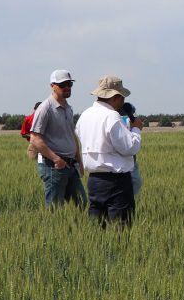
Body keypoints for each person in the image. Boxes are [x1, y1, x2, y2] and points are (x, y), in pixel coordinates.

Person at [75, 75, 143, 227]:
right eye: (122, 97)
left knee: (97, 228)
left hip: (94, 181)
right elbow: (129, 147)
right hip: (116, 182)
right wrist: (136, 129)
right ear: (114, 97)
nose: (123, 101)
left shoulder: (85, 115)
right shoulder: (111, 116)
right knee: (120, 229)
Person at [29, 70, 87, 207]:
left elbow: (71, 136)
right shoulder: (45, 108)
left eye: (69, 84)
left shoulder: (68, 108)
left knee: (81, 203)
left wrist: (79, 162)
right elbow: (34, 139)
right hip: (53, 166)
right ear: (52, 86)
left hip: (71, 165)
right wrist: (56, 159)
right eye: (62, 85)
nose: (67, 87)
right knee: (55, 208)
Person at [119, 101, 144, 196]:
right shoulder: (115, 120)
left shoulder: (128, 113)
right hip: (123, 162)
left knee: (136, 182)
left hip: (131, 161)